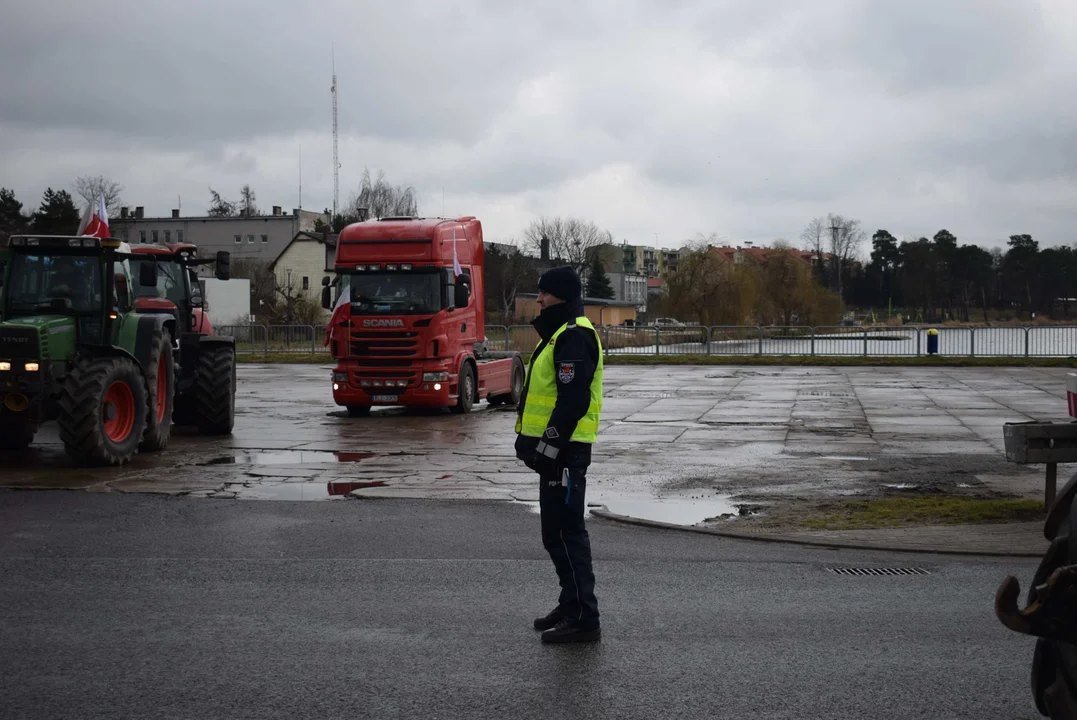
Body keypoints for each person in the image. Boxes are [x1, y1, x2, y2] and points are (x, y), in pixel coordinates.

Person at [515, 266, 604, 644]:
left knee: (567, 533)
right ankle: (571, 604)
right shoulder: (556, 335)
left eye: (545, 293)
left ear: (562, 297)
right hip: (556, 454)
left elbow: (574, 400)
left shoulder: (573, 335)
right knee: (555, 534)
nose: (538, 299)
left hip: (565, 454)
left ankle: (584, 617)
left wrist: (548, 448)